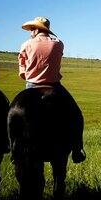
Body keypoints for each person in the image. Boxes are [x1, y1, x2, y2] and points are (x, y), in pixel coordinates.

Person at [18, 16, 86, 163]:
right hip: (54, 86)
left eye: (31, 29)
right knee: (76, 114)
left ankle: (14, 148)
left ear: (36, 29)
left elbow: (22, 72)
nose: (30, 32)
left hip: (31, 86)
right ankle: (77, 149)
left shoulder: (26, 44)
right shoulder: (58, 43)